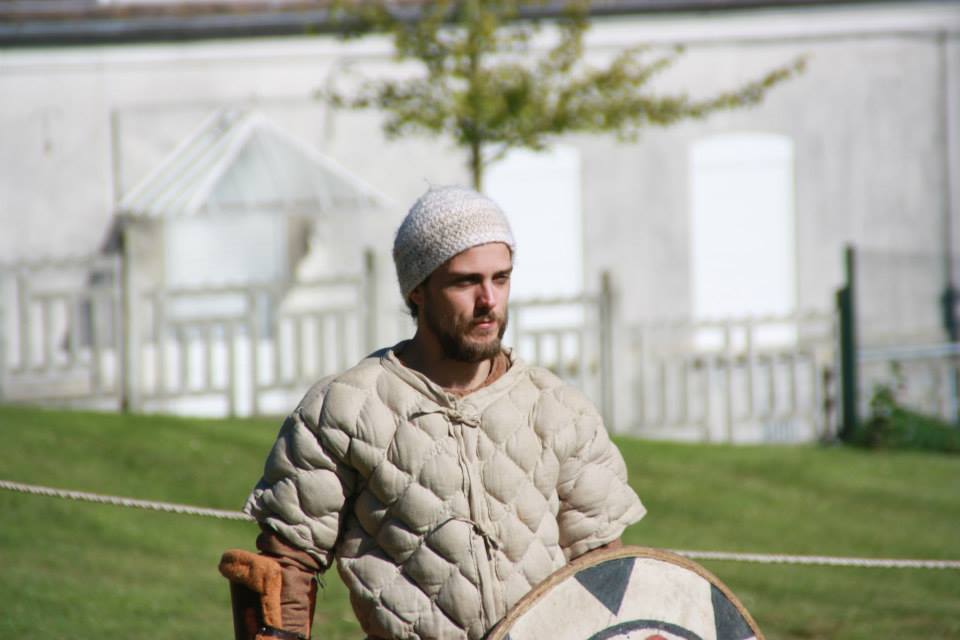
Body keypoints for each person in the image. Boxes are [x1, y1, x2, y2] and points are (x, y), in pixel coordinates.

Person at [220, 185, 646, 640]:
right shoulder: (344, 410)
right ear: (418, 289)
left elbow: (605, 571)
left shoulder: (560, 409)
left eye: (500, 278)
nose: (489, 300)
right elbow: (286, 566)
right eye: (466, 281)